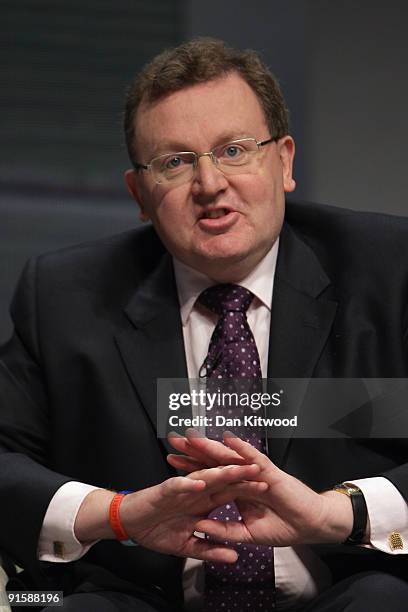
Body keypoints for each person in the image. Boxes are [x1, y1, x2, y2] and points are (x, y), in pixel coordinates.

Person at [0, 37, 408, 611]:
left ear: (285, 161)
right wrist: (117, 515)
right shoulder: (66, 295)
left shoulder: (389, 269)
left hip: (349, 588)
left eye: (235, 150)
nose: (210, 184)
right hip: (139, 597)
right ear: (139, 193)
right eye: (175, 162)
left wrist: (336, 513)